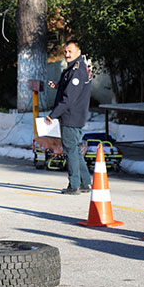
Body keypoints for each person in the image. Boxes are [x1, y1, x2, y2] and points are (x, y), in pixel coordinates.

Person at [45, 39, 92, 195]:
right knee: (74, 150)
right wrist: (58, 86)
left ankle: (74, 185)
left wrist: (53, 115)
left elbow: (69, 98)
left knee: (70, 150)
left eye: (70, 51)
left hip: (71, 116)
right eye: (65, 51)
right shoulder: (74, 68)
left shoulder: (77, 70)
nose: (67, 54)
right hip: (73, 115)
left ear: (79, 52)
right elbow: (72, 89)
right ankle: (85, 182)